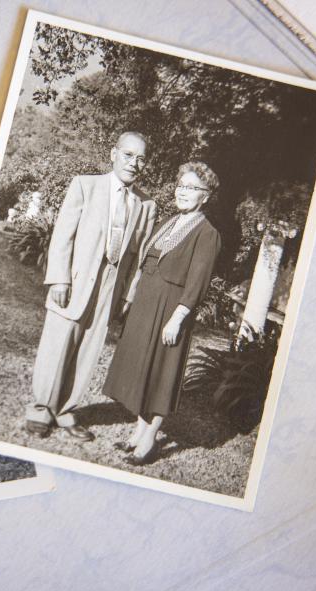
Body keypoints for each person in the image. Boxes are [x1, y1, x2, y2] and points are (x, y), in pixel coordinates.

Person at [27, 132, 157, 441]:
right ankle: (41, 409)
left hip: (110, 287)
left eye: (140, 158)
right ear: (113, 154)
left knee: (88, 347)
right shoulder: (85, 185)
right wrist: (59, 277)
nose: (134, 163)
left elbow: (139, 256)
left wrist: (128, 294)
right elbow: (63, 235)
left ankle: (66, 410)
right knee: (58, 343)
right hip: (74, 279)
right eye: (128, 155)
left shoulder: (146, 204)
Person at [103, 161, 222, 465]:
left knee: (162, 373)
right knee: (145, 369)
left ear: (205, 196)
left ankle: (150, 440)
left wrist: (178, 318)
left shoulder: (207, 234)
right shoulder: (170, 222)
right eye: (181, 186)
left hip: (171, 308)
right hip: (146, 304)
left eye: (192, 188)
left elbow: (197, 282)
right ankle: (138, 432)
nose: (183, 192)